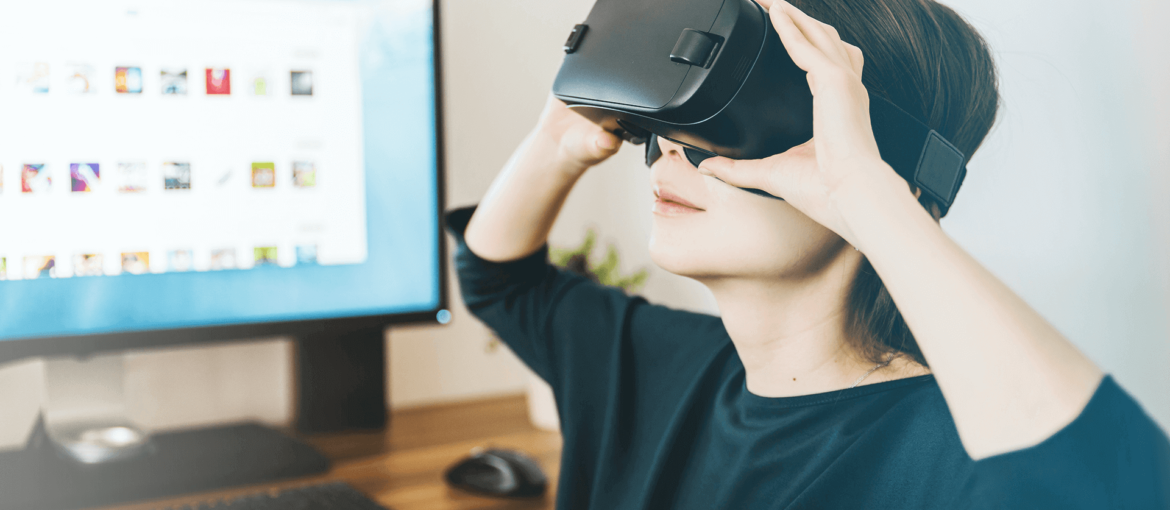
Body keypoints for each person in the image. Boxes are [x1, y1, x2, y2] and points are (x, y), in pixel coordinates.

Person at [443, 0, 1170, 507]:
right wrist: (557, 141)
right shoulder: (655, 364)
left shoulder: (946, 453)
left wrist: (869, 195)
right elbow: (500, 282)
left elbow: (1116, 486)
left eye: (731, 119)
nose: (674, 148)